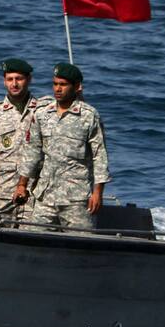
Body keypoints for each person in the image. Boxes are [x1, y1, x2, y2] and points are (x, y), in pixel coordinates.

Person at [13, 62, 110, 230]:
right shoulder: (43, 114)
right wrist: (22, 185)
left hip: (76, 199)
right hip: (45, 196)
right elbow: (32, 152)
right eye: (55, 84)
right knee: (34, 241)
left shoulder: (88, 116)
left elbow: (99, 156)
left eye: (63, 85)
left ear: (77, 87)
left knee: (81, 246)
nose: (58, 89)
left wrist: (98, 192)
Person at [0, 58, 44, 227]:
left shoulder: (43, 111)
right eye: (10, 79)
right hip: (3, 191)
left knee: (31, 239)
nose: (14, 84)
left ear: (29, 80)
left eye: (19, 79)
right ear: (4, 81)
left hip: (34, 191)